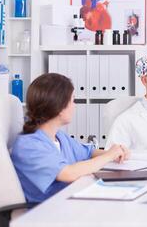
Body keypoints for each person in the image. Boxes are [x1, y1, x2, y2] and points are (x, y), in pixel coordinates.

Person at [10, 73, 130, 203]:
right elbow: (67, 173)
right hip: (49, 211)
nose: (75, 105)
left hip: (72, 201)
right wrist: (108, 156)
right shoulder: (29, 145)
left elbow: (88, 152)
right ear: (59, 107)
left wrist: (115, 152)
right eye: (73, 100)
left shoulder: (59, 137)